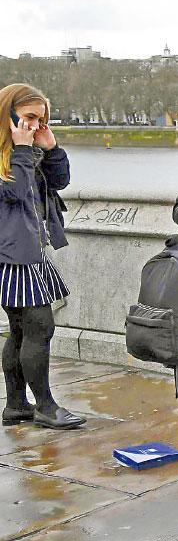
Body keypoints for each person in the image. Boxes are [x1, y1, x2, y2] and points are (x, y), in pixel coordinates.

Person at [0, 84, 83, 430]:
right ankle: (45, 407)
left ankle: (17, 405)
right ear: (9, 115)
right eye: (29, 117)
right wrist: (21, 149)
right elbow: (16, 193)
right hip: (12, 257)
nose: (35, 126)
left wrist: (52, 149)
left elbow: (59, 183)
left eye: (41, 119)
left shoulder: (29, 152)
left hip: (29, 251)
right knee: (40, 327)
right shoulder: (11, 156)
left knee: (20, 331)